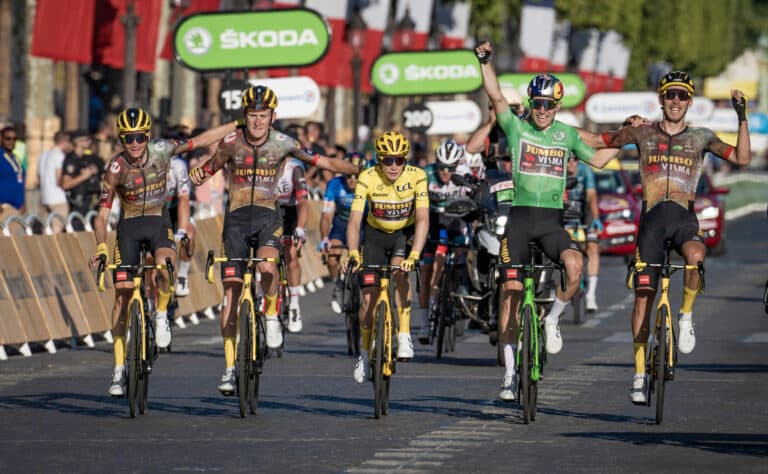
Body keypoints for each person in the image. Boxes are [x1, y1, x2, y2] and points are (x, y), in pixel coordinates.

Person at [584, 71, 752, 404]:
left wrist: (741, 116)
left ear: (690, 102)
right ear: (661, 99)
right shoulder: (642, 132)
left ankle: (686, 317)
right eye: (670, 95)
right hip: (651, 224)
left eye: (682, 96)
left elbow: (743, 158)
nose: (676, 101)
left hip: (683, 221)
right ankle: (638, 372)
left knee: (696, 256)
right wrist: (552, 132)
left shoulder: (701, 136)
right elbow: (597, 144)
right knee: (643, 296)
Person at [189, 85, 358, 395]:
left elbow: (326, 164)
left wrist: (360, 169)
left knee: (268, 269)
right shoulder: (231, 142)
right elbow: (208, 168)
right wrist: (199, 174)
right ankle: (229, 368)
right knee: (231, 294)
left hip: (269, 218)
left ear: (272, 116)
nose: (257, 122)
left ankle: (270, 315)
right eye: (252, 116)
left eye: (263, 116)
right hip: (236, 221)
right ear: (245, 117)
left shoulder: (284, 143)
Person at [475, 41, 619, 401]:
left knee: (575, 264)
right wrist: (485, 61)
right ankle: (509, 374)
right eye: (537, 104)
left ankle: (552, 318)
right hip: (520, 221)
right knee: (509, 293)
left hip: (552, 222)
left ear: (557, 106)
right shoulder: (517, 128)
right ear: (530, 104)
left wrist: (630, 139)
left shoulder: (567, 135)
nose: (542, 110)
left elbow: (599, 161)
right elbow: (494, 97)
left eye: (549, 105)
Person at [89, 107, 238, 397]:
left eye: (140, 137)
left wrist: (236, 123)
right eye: (128, 138)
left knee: (164, 267)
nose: (134, 144)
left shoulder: (162, 149)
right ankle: (119, 370)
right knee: (122, 294)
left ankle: (160, 315)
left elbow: (202, 140)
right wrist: (102, 246)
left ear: (148, 136)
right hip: (129, 228)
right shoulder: (115, 169)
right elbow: (102, 214)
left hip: (158, 222)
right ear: (121, 139)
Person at [346, 131, 429, 382]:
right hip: (374, 236)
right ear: (378, 159)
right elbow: (354, 221)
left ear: (406, 160)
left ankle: (404, 334)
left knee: (401, 273)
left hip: (403, 234)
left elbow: (424, 219)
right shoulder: (367, 177)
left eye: (399, 160)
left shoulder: (417, 177)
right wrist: (352, 252)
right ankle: (363, 353)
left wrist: (414, 255)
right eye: (387, 160)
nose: (393, 166)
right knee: (369, 301)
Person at [417, 139, 474, 344]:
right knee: (426, 272)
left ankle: (458, 290)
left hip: (455, 221)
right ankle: (424, 324)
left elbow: (477, 198)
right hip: (433, 220)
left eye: (450, 168)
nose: (445, 172)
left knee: (462, 258)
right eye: (441, 167)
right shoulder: (426, 174)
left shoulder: (464, 174)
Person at [318, 151, 367, 314]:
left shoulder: (369, 184)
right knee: (332, 257)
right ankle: (337, 285)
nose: (352, 180)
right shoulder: (334, 184)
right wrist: (325, 238)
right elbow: (326, 215)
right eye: (348, 176)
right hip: (341, 224)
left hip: (363, 224)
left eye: (356, 176)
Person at [564, 154, 603, 312]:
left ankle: (591, 295)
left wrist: (596, 218)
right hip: (565, 215)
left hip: (583, 213)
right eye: (568, 160)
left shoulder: (585, 171)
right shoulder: (559, 172)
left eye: (575, 160)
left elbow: (592, 196)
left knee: (593, 248)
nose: (572, 163)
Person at [277, 147, 309, 333]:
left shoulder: (294, 169)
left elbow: (303, 203)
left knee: (291, 255)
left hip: (290, 212)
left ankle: (295, 304)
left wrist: (299, 229)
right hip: (269, 212)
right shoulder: (263, 166)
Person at [62, 130, 104, 225]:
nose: (89, 142)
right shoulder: (71, 159)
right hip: (78, 206)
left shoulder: (92, 158)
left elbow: (105, 177)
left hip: (94, 205)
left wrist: (98, 173)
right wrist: (83, 176)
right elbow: (65, 184)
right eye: (86, 140)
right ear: (77, 141)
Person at [37, 130, 72, 229]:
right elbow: (59, 180)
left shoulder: (43, 155)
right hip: (58, 199)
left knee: (46, 231)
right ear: (65, 141)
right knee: (56, 231)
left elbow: (39, 178)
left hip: (44, 198)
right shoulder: (59, 155)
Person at [0, 125, 24, 222]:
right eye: (8, 138)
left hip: (17, 208)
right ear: (1, 139)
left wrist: (23, 203)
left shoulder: (16, 158)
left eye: (14, 139)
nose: (11, 142)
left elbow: (20, 181)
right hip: (4, 207)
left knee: (14, 237)